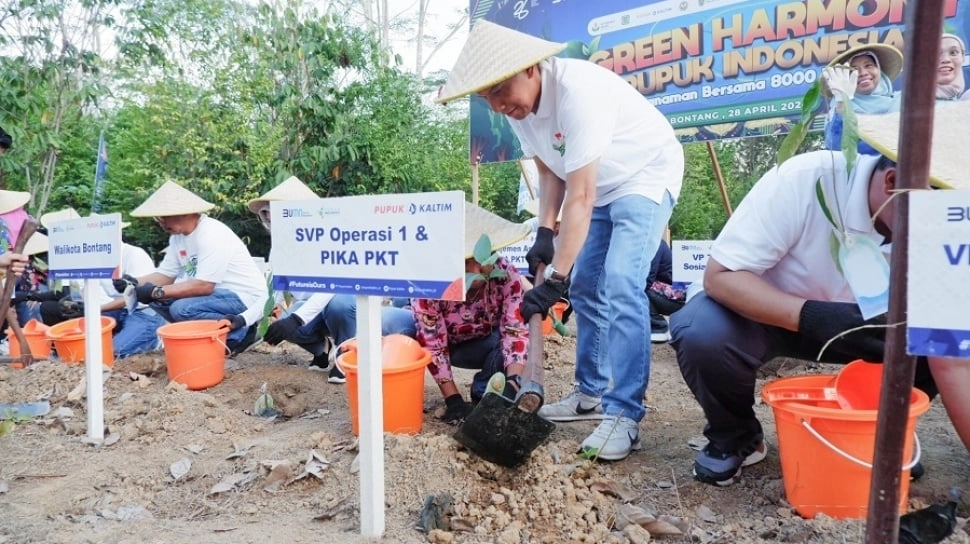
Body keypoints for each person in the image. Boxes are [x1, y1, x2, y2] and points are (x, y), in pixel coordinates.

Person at [437, 20, 684, 459]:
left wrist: (556, 278)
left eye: (500, 91)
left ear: (531, 69)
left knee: (622, 283)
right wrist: (545, 234)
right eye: (486, 98)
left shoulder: (577, 94)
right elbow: (551, 172)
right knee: (589, 288)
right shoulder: (520, 111)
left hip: (644, 174)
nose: (497, 106)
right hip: (598, 187)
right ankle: (588, 392)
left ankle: (623, 414)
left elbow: (582, 195)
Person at [667, 138, 966, 485]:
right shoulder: (807, 179)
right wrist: (813, 317)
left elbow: (954, 352)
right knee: (702, 330)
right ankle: (735, 436)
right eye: (934, 217)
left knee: (946, 336)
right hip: (774, 316)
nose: (942, 230)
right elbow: (721, 277)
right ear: (893, 182)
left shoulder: (956, 222)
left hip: (875, 328)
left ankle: (886, 431)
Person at [252, 176, 416, 383]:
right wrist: (244, 319)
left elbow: (332, 286)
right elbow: (272, 293)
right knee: (284, 321)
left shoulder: (329, 235)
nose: (270, 220)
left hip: (348, 306)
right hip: (313, 309)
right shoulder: (280, 248)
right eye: (267, 214)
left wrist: (297, 319)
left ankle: (347, 354)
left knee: (339, 303)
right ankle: (321, 351)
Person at [410, 202, 532, 423]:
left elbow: (515, 332)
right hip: (444, 343)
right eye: (466, 262)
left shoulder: (506, 276)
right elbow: (433, 343)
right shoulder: (432, 281)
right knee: (397, 330)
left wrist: (513, 383)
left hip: (481, 343)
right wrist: (453, 400)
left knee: (501, 343)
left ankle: (485, 395)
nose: (475, 271)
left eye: (480, 261)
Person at [123, 180, 268, 355]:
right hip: (217, 298)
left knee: (181, 308)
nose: (160, 222)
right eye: (157, 218)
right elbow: (165, 275)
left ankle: (242, 332)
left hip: (243, 296)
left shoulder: (211, 234)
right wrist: (131, 282)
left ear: (184, 213)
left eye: (163, 216)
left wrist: (155, 292)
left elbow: (204, 286)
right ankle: (213, 339)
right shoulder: (177, 238)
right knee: (160, 301)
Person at [821, 43, 903, 153]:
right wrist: (843, 102)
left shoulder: (902, 102)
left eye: (868, 65)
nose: (863, 73)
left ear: (879, 69)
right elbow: (837, 148)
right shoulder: (838, 111)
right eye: (853, 69)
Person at [646, 239, 674, 343]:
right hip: (668, 293)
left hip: (675, 297)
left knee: (636, 289)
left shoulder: (654, 244)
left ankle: (658, 327)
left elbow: (648, 278)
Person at [936, 33, 967, 101]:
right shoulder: (912, 104)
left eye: (953, 52)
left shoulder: (966, 100)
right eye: (935, 53)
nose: (946, 59)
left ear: (962, 58)